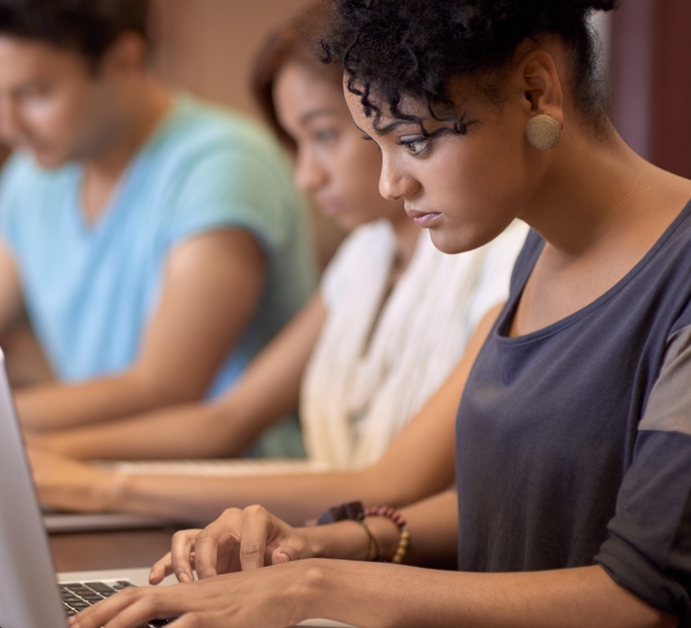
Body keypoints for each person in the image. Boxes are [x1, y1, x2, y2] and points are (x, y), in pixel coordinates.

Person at [73, 0, 691, 625]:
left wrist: (313, 586)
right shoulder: (541, 248)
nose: (390, 184)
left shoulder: (679, 274)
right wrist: (323, 543)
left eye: (413, 142)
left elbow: (638, 598)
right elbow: (524, 506)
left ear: (535, 91)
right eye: (377, 146)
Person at [26, 4, 525, 524]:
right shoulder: (366, 257)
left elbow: (386, 486)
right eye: (296, 142)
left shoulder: (503, 254)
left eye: (325, 136)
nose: (306, 176)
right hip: (335, 549)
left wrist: (106, 487)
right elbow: (227, 418)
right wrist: (44, 452)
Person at [0, 0, 317, 437]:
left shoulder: (223, 166)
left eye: (32, 94)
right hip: (102, 473)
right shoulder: (37, 171)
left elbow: (164, 387)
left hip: (231, 490)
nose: (4, 127)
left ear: (124, 60)